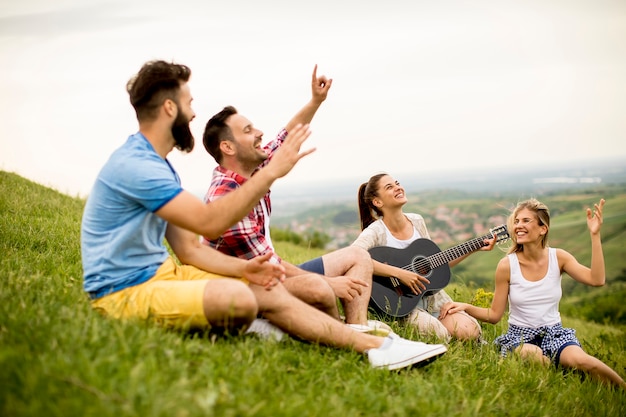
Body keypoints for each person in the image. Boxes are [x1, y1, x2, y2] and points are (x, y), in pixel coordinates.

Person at [80, 59, 447, 371]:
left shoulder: (159, 166)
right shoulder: (138, 167)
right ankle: (277, 328)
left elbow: (189, 250)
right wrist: (271, 174)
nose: (193, 112)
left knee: (260, 287)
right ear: (170, 109)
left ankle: (373, 348)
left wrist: (246, 270)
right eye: (189, 103)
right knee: (243, 299)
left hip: (168, 275)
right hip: (123, 292)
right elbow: (208, 222)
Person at [201, 65, 380, 333]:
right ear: (227, 147)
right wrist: (331, 284)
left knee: (358, 256)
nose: (260, 132)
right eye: (248, 130)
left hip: (268, 272)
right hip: (245, 287)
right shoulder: (226, 196)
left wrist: (315, 101)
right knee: (318, 287)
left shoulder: (251, 171)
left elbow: (285, 137)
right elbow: (265, 266)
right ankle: (341, 337)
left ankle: (358, 329)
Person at [440, 198, 626, 388]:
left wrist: (595, 235)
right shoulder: (506, 265)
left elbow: (597, 280)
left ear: (542, 229)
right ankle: (561, 377)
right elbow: (495, 315)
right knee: (536, 358)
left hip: (555, 333)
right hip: (520, 337)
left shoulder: (559, 257)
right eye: (517, 221)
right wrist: (466, 307)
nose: (518, 226)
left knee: (585, 362)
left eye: (526, 221)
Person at [353, 173, 498, 342]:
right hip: (401, 303)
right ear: (377, 202)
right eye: (389, 187)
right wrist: (399, 274)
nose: (398, 187)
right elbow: (354, 257)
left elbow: (435, 264)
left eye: (397, 183)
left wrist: (476, 247)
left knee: (470, 332)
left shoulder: (417, 221)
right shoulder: (375, 231)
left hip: (431, 298)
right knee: (439, 335)